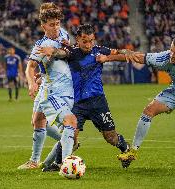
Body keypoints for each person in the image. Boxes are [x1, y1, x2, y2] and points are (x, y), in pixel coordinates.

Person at [97, 35, 175, 166]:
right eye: (171, 50)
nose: (172, 55)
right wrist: (107, 58)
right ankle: (133, 151)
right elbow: (136, 57)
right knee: (148, 111)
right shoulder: (164, 57)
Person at [36, 24, 131, 170]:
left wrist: (108, 58)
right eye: (85, 41)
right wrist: (52, 53)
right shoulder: (72, 51)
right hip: (77, 103)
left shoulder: (99, 51)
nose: (88, 45)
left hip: (97, 101)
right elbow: (62, 53)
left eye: (91, 40)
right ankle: (59, 163)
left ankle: (125, 149)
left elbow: (124, 55)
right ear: (78, 40)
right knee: (70, 133)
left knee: (110, 137)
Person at [17, 2, 77, 170]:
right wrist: (31, 82)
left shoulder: (63, 34)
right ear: (43, 25)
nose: (56, 27)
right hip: (46, 86)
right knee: (36, 121)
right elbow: (30, 67)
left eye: (58, 23)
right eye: (52, 25)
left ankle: (65, 145)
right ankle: (65, 142)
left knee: (46, 121)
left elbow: (69, 52)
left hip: (57, 89)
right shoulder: (40, 46)